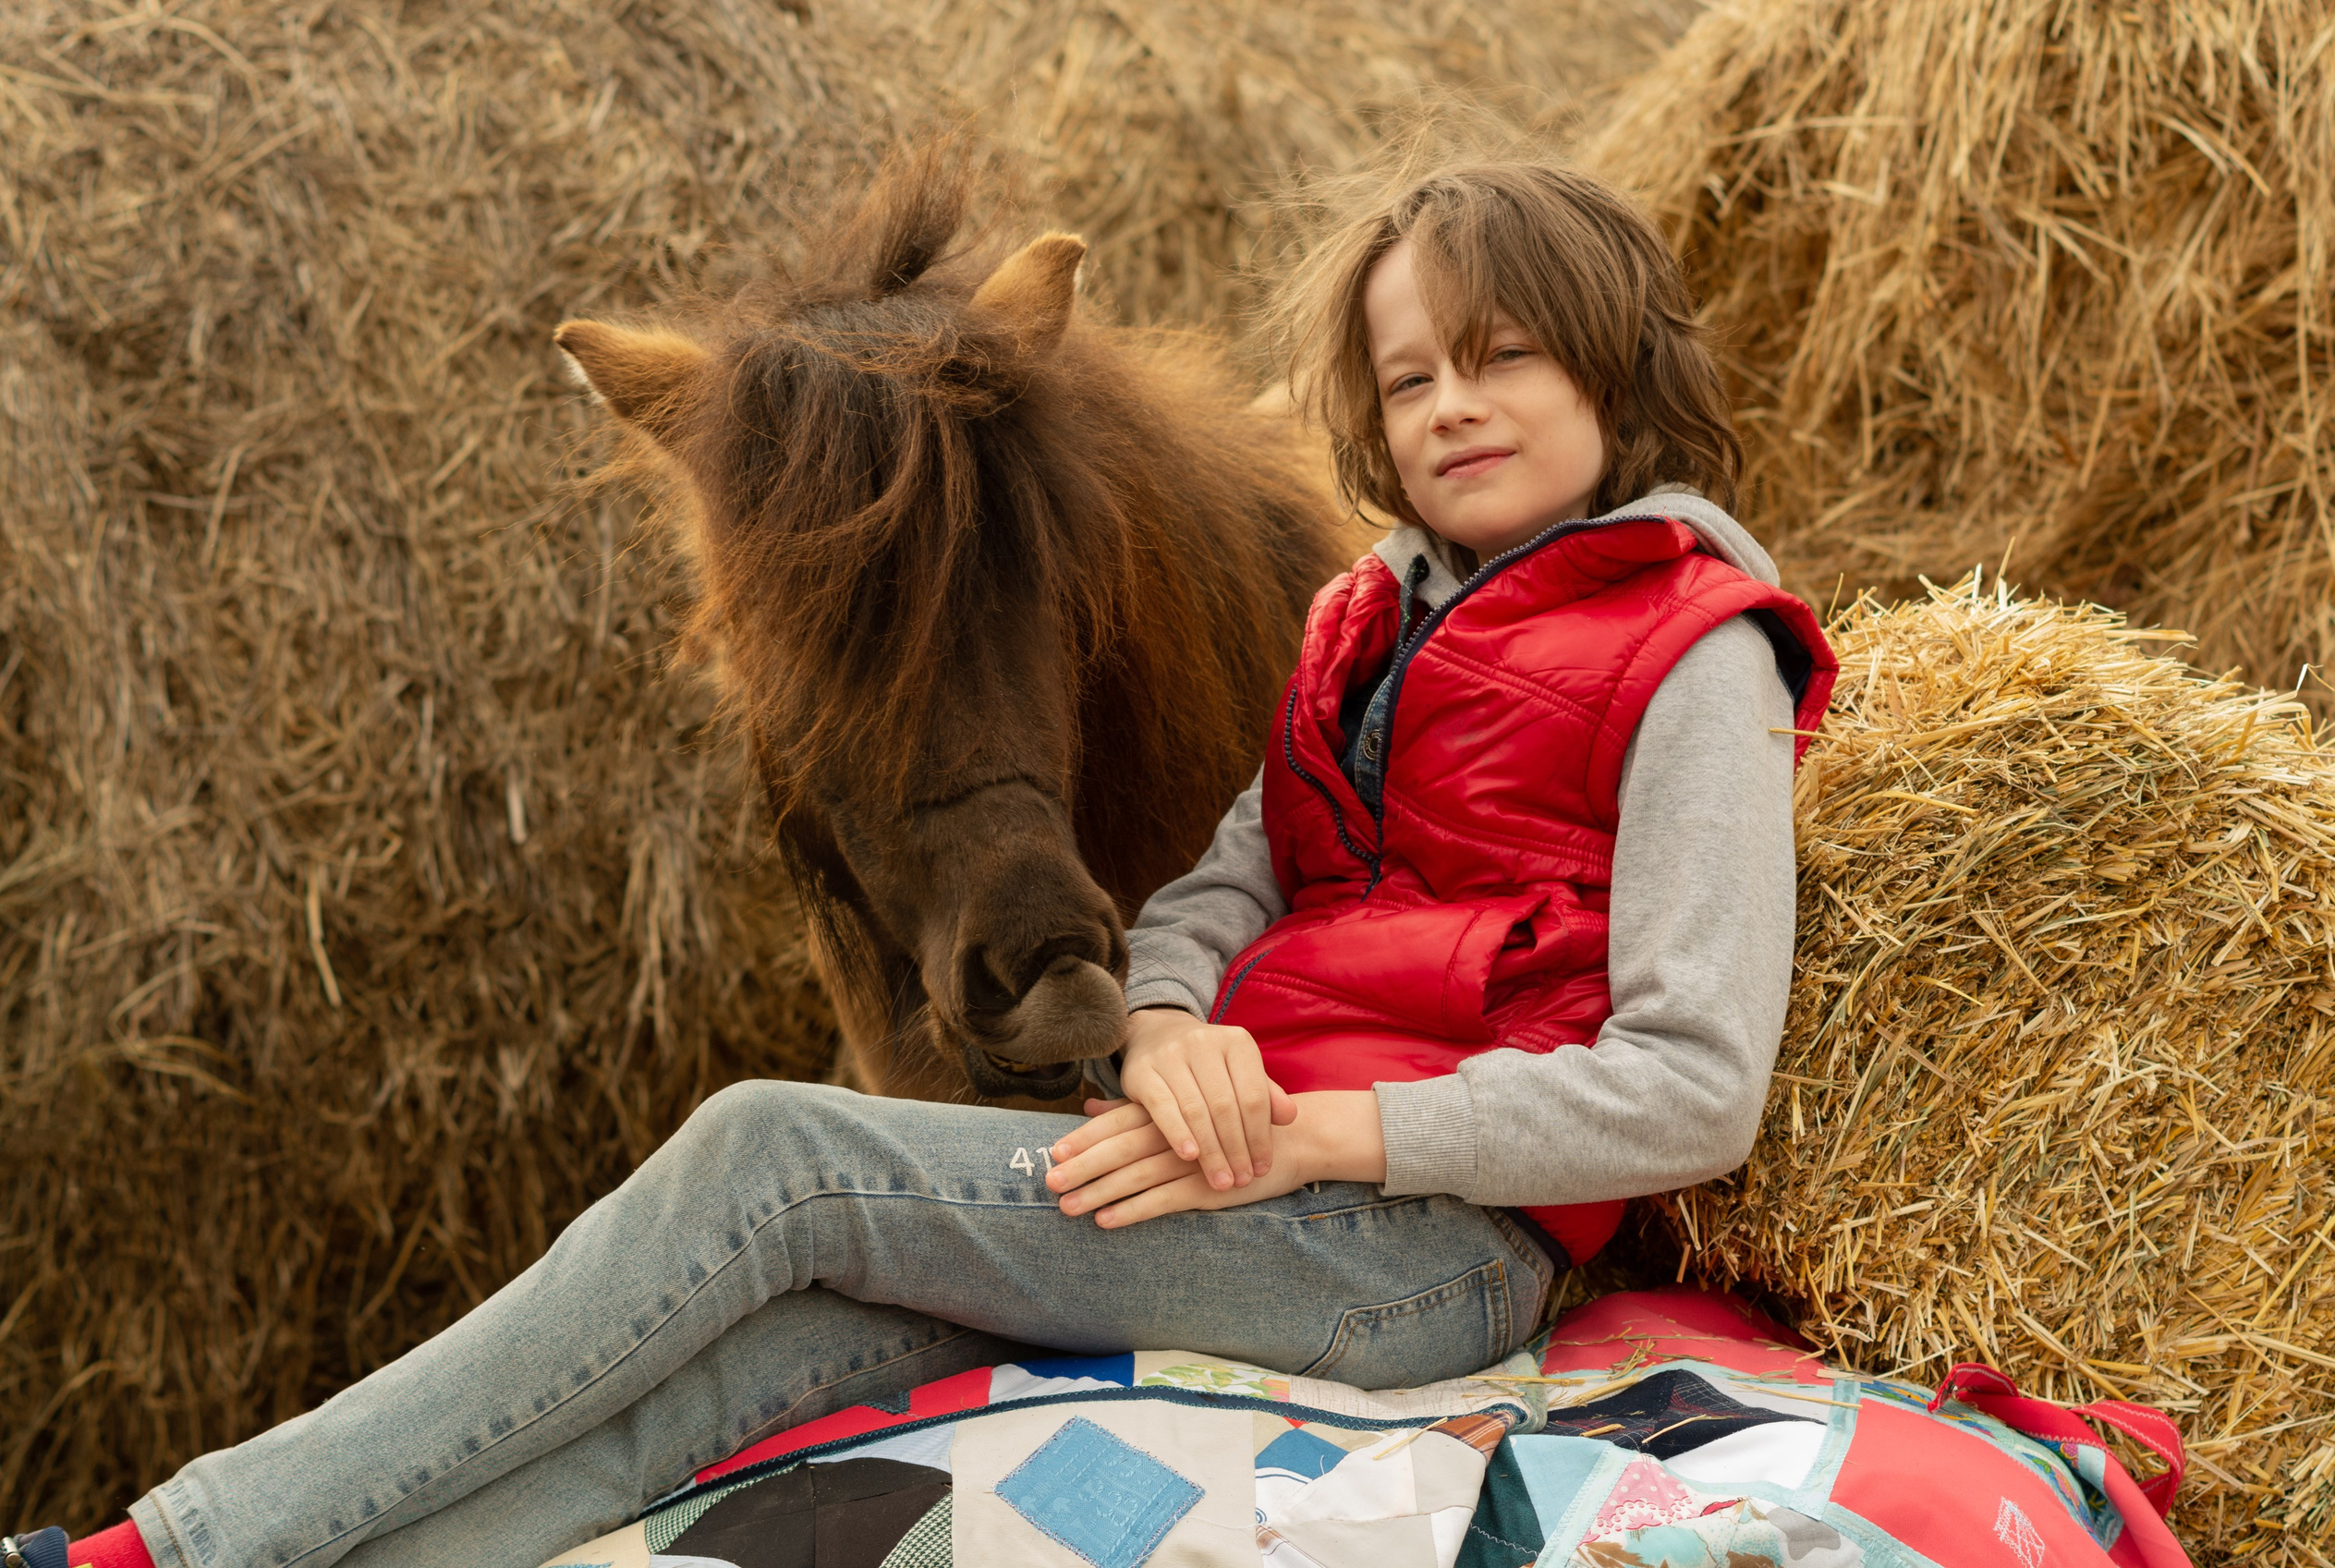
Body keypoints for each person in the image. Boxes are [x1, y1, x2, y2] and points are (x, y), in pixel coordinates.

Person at [7, 159, 1832, 1568]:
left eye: (1501, 358)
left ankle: (157, 1544)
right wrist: (1172, 1021)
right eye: (1408, 372)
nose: (1447, 406)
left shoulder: (1697, 654)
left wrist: (1326, 1131)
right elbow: (1223, 888)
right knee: (740, 1370)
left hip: (1426, 1249)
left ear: (1616, 366)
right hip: (1235, 1181)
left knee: (771, 1154)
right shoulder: (1367, 625)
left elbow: (1693, 1088)